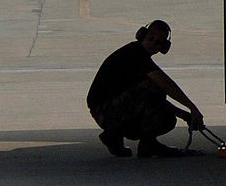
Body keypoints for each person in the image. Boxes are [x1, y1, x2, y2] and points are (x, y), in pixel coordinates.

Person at [87, 20, 205, 158]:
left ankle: (114, 136)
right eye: (151, 38)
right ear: (142, 36)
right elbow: (165, 84)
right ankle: (146, 143)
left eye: (159, 42)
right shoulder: (135, 54)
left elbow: (153, 99)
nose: (153, 44)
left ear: (164, 47)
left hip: (110, 110)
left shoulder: (138, 54)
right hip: (104, 111)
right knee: (155, 89)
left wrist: (185, 116)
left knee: (166, 116)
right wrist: (192, 108)